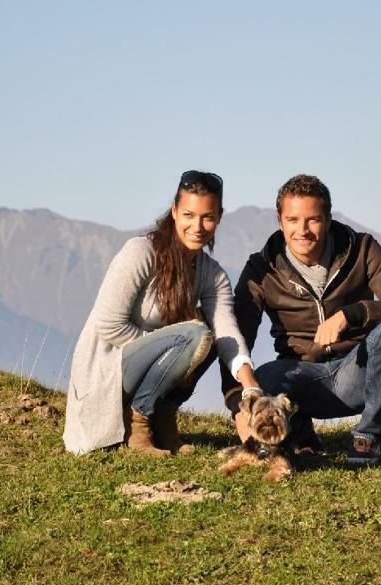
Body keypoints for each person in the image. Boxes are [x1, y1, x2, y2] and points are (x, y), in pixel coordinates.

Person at [223, 174, 381, 466]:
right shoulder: (261, 268)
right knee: (263, 379)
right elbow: (235, 338)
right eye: (293, 220)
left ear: (328, 219)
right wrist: (237, 405)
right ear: (280, 221)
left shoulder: (363, 250)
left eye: (313, 220)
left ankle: (368, 437)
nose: (302, 230)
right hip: (299, 379)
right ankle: (298, 433)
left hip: (356, 371)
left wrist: (352, 313)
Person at [64, 170, 261, 456]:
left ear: (219, 217)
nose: (198, 225)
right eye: (189, 215)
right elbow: (109, 325)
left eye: (207, 217)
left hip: (153, 366)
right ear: (174, 212)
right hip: (109, 367)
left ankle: (164, 419)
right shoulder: (140, 252)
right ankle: (139, 423)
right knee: (195, 334)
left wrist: (250, 384)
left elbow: (227, 331)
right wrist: (169, 350)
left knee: (208, 333)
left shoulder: (212, 275)